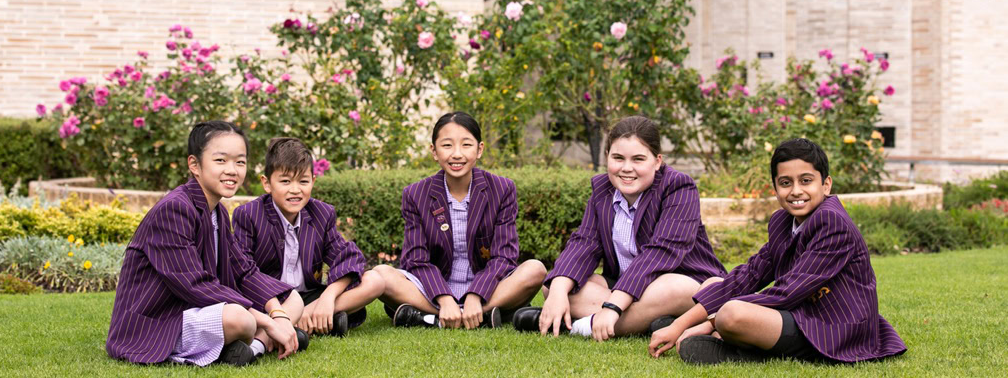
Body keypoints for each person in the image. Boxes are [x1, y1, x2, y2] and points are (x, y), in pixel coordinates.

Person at [648, 138, 907, 364]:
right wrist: (681, 323)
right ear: (775, 188)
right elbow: (750, 275)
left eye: (806, 180)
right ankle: (716, 334)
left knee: (731, 313)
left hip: (836, 328)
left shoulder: (832, 223)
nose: (796, 191)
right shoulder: (783, 221)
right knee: (715, 283)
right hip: (801, 314)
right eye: (785, 182)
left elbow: (787, 292)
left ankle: (740, 349)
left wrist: (707, 322)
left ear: (826, 184)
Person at [106, 121, 304, 367]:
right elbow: (194, 284)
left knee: (292, 299)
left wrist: (278, 313)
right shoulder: (174, 209)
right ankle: (263, 339)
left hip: (197, 311)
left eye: (240, 162)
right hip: (159, 321)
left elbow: (243, 271)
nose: (232, 170)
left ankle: (255, 347)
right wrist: (268, 322)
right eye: (220, 160)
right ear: (194, 165)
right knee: (240, 318)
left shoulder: (217, 211)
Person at [513, 115, 726, 342]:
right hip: (626, 286)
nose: (626, 168)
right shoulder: (602, 189)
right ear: (607, 157)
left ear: (657, 161)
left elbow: (661, 253)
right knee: (557, 286)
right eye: (618, 158)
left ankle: (579, 326)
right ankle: (654, 321)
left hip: (688, 283)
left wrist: (613, 307)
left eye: (638, 159)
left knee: (672, 287)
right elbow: (584, 242)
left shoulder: (679, 187)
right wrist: (557, 293)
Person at [373, 112, 547, 329]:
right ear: (434, 151)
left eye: (466, 145)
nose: (457, 154)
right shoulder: (415, 194)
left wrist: (476, 294)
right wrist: (444, 298)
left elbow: (504, 256)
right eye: (447, 145)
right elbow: (415, 259)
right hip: (432, 289)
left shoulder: (502, 189)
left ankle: (432, 318)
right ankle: (473, 316)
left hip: (488, 288)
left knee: (535, 270)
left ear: (479, 149)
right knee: (380, 275)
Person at [232, 137, 384, 337]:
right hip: (270, 300)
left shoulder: (321, 213)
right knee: (243, 307)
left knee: (374, 281)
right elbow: (243, 270)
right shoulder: (249, 215)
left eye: (303, 181)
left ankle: (309, 316)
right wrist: (283, 306)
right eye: (285, 181)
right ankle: (315, 321)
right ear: (267, 183)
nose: (295, 190)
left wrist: (328, 297)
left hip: (311, 297)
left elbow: (349, 257)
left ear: (313, 181)